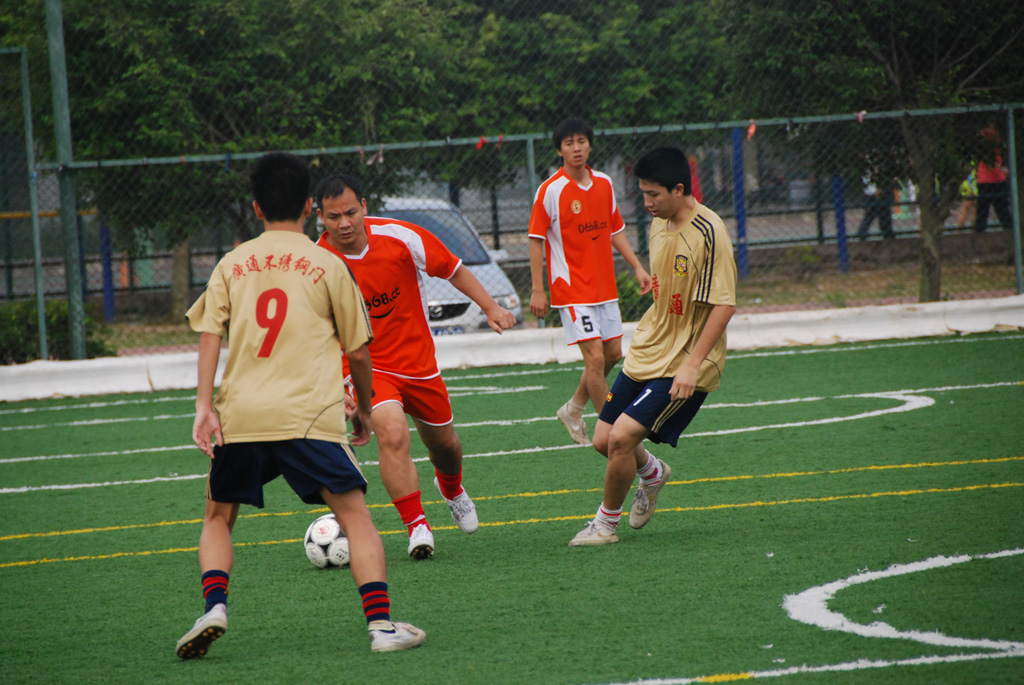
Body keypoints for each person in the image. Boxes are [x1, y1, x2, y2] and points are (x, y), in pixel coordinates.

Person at [178, 152, 425, 658]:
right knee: (355, 515)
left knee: (217, 517)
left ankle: (214, 607)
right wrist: (364, 407)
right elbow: (359, 351)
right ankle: (381, 626)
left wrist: (204, 406)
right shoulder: (329, 263)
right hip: (309, 415)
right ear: (311, 207)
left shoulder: (232, 263)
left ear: (256, 207)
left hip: (242, 415)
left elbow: (209, 334)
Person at [314, 174, 516, 560]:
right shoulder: (317, 263)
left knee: (445, 446)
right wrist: (334, 384)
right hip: (366, 367)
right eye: (334, 216)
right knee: (391, 433)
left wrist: (491, 307)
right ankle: (417, 526)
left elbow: (453, 268)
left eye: (351, 213)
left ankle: (451, 488)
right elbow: (312, 330)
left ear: (364, 208)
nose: (344, 223)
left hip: (418, 362)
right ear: (320, 217)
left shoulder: (400, 237)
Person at [569, 146, 737, 547]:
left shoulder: (710, 232)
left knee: (621, 438)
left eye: (653, 194)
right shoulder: (658, 224)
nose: (646, 203)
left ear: (678, 189)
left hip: (686, 359)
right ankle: (653, 473)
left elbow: (724, 305)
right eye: (642, 193)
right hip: (649, 348)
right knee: (602, 440)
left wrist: (693, 365)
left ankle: (604, 525)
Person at [528, 117, 652, 446]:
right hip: (572, 290)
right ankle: (612, 432)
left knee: (612, 354)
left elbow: (615, 230)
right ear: (559, 150)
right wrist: (538, 289)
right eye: (569, 143)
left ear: (590, 145)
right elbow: (536, 240)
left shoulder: (605, 183)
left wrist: (638, 267)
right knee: (595, 360)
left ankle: (573, 408)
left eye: (581, 141)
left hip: (604, 288)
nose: (576, 148)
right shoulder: (550, 190)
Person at [974, 125, 1013, 232]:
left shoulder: (1000, 141)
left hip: (999, 180)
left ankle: (1009, 231)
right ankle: (980, 232)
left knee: (1003, 209)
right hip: (985, 181)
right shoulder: (982, 140)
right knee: (983, 210)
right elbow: (985, 158)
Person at [856, 160, 894, 240]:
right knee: (870, 215)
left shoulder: (882, 165)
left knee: (884, 215)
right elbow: (867, 182)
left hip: (880, 195)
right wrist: (874, 191)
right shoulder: (867, 167)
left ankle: (888, 235)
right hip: (871, 196)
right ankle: (862, 234)